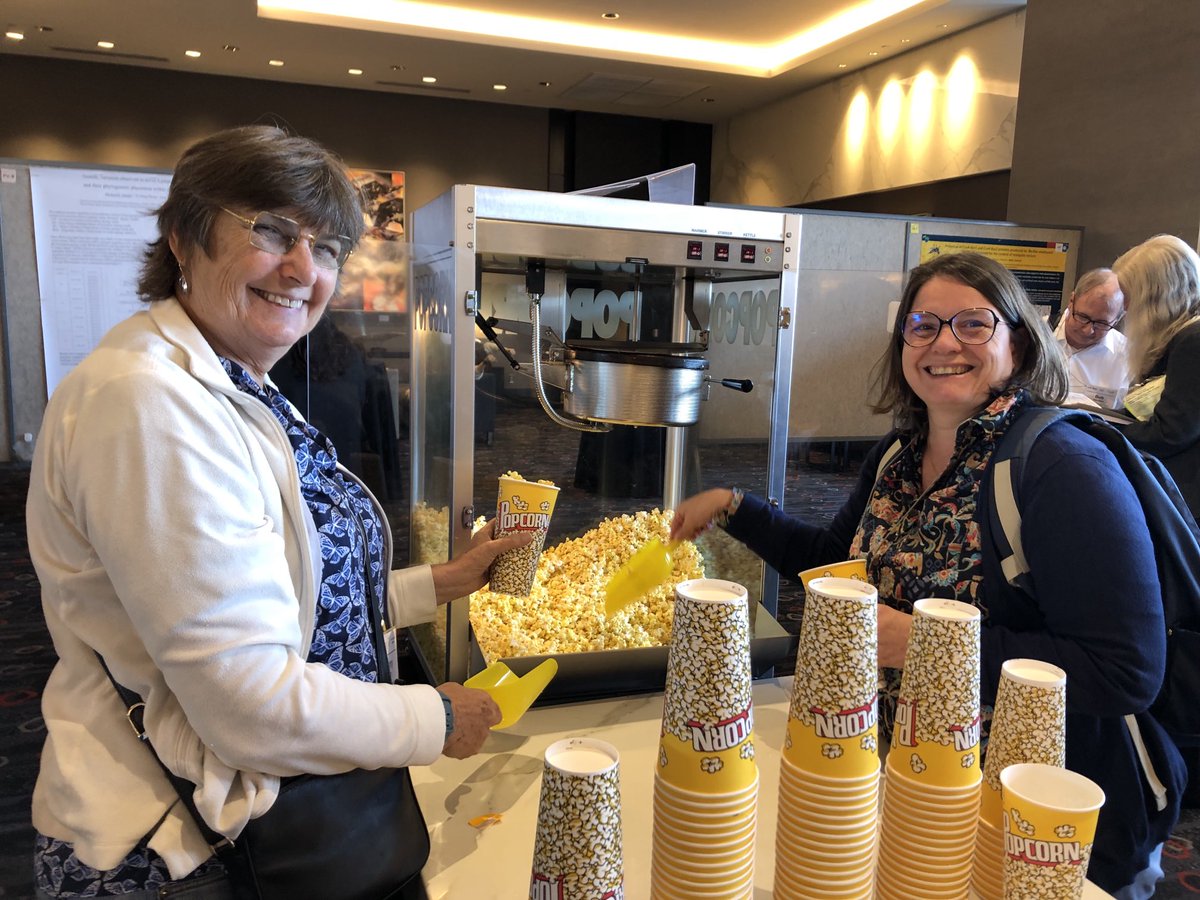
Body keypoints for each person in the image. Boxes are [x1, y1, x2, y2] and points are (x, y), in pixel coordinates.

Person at [25, 125, 528, 899]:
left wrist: (438, 584)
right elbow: (249, 704)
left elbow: (279, 591)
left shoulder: (233, 380)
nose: (303, 268)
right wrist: (432, 718)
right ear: (184, 238)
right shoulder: (147, 402)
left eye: (326, 248)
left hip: (271, 824)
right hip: (181, 851)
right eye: (270, 231)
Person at [670, 252, 1185, 898]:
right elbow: (835, 564)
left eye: (973, 324)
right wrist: (732, 506)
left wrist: (919, 644)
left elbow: (1125, 670)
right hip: (899, 787)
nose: (944, 343)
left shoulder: (1061, 465)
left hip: (1026, 829)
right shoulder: (898, 454)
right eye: (923, 326)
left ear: (1019, 343)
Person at [1114, 234, 1200, 520]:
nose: (1126, 309)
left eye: (1129, 297)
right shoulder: (1183, 336)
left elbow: (1171, 431)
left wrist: (1104, 431)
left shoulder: (1192, 341)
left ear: (1156, 296)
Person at [1054, 267, 1130, 409]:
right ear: (1071, 301)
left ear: (1118, 319)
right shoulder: (1037, 336)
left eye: (1102, 323)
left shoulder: (1128, 357)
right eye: (1083, 317)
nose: (1088, 330)